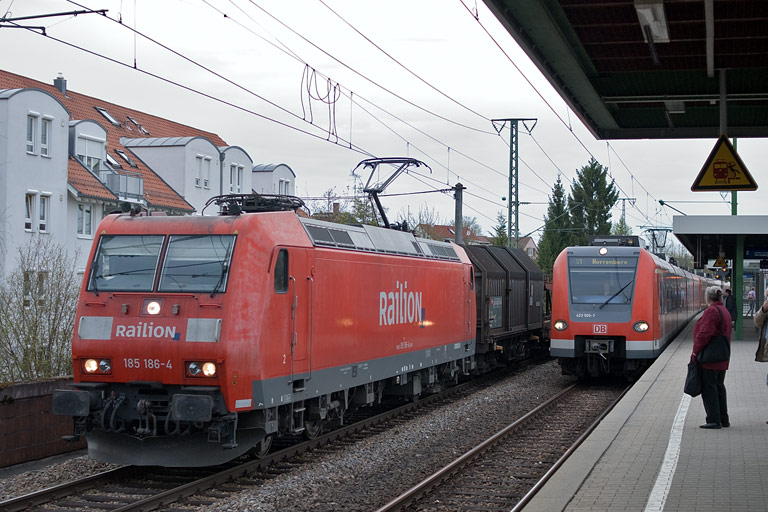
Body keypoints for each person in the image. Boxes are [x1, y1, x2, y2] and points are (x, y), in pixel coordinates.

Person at [692, 286, 732, 429]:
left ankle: (714, 420)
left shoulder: (712, 311)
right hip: (722, 355)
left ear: (708, 297)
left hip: (711, 357)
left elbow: (704, 334)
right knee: (719, 386)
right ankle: (723, 419)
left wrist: (695, 352)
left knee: (710, 388)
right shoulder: (723, 310)